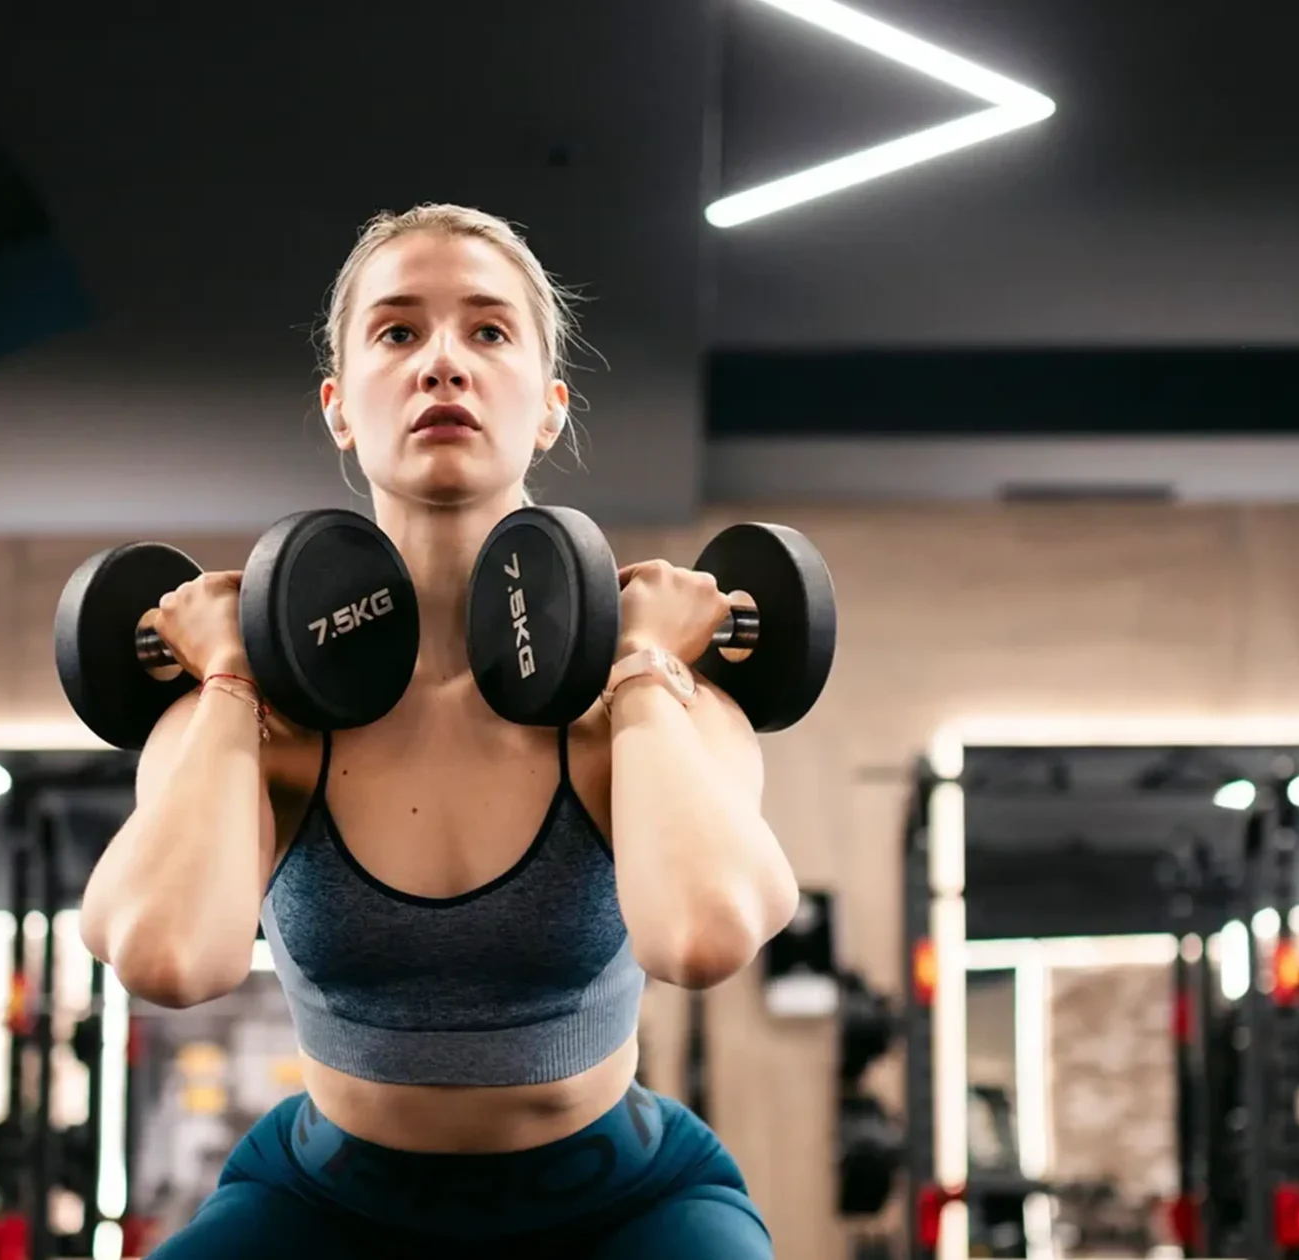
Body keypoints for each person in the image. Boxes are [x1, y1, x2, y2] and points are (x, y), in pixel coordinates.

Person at [79, 203, 800, 1258]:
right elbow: (166, 959)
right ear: (338, 406)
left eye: (490, 330)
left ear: (550, 406)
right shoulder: (256, 712)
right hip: (324, 1204)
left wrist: (644, 665)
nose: (443, 363)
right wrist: (229, 674)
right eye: (398, 331)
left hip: (622, 1204)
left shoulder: (650, 691)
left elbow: (704, 938)